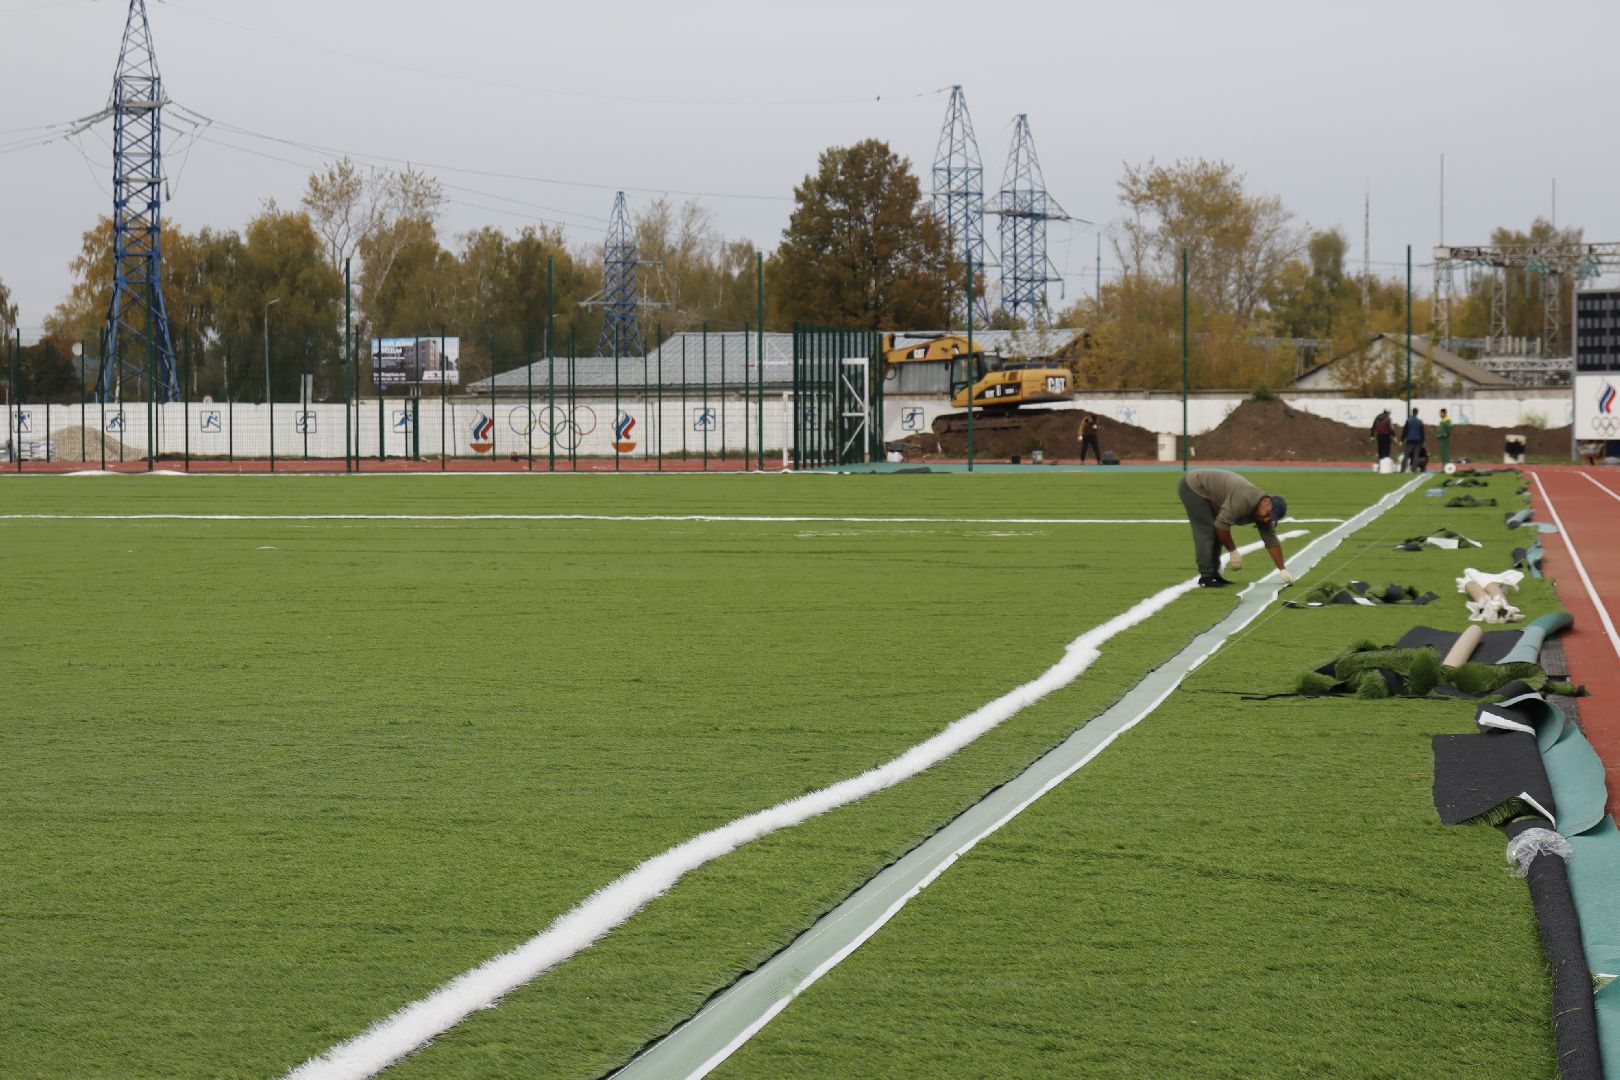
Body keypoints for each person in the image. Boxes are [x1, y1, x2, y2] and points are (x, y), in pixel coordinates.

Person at [1177, 468, 1294, 588]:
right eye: (1268, 515)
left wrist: (1282, 569)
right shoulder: (1244, 499)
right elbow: (1221, 525)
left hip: (1211, 492)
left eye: (1270, 519)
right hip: (1194, 486)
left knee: (1216, 530)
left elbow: (1271, 540)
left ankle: (1214, 574)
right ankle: (1206, 577)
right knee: (1208, 530)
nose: (1265, 520)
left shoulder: (1264, 511)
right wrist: (1233, 551)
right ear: (1266, 502)